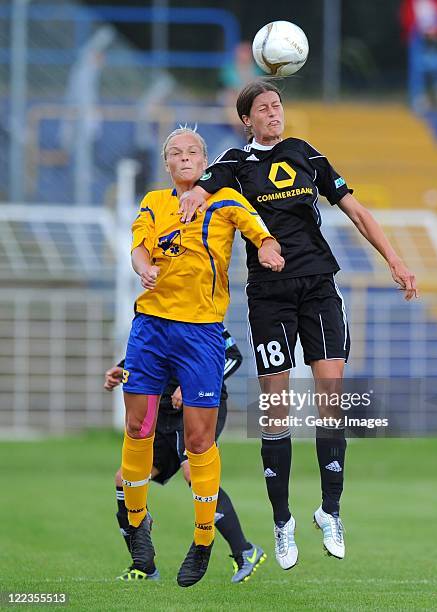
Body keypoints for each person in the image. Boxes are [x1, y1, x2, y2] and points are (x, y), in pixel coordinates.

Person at [178, 79, 419, 571]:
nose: (274, 113)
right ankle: (282, 521)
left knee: (331, 398)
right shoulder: (234, 163)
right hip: (268, 295)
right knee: (276, 408)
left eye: (278, 105)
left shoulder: (306, 153)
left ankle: (330, 510)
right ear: (246, 119)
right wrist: (191, 199)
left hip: (318, 285)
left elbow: (355, 209)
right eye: (263, 108)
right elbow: (198, 191)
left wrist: (394, 258)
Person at [120, 125, 283, 588]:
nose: (184, 156)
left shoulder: (226, 199)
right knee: (137, 427)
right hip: (150, 327)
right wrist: (144, 266)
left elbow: (261, 234)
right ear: (167, 164)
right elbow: (137, 246)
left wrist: (270, 249)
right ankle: (137, 530)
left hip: (201, 333)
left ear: (205, 161)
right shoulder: (155, 201)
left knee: (198, 441)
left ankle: (205, 538)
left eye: (193, 151)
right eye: (176, 152)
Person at [106, 328, 266, 583]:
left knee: (192, 470)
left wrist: (192, 385)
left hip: (198, 406)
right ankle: (144, 565)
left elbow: (233, 356)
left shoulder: (201, 311)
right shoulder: (159, 313)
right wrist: (123, 367)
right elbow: (156, 354)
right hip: (164, 412)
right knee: (123, 479)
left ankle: (244, 550)